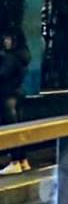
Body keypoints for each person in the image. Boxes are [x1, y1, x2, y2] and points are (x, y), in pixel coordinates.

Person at [0, 29, 31, 175]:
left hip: (7, 97)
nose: (5, 42)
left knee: (11, 129)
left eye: (8, 39)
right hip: (18, 95)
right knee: (19, 128)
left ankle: (14, 162)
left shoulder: (10, 57)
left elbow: (2, 75)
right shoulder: (22, 56)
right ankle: (22, 160)